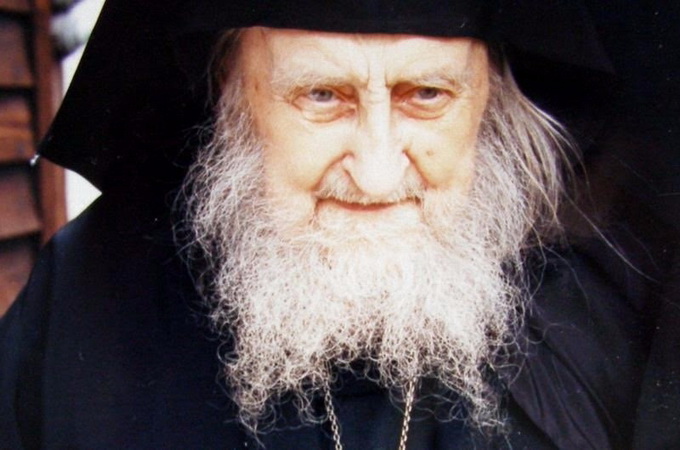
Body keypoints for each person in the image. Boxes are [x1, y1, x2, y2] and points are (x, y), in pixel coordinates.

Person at [1, 1, 678, 449]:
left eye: (427, 94)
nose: (378, 174)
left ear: (492, 105)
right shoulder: (88, 301)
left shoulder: (613, 312)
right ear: (230, 97)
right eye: (322, 96)